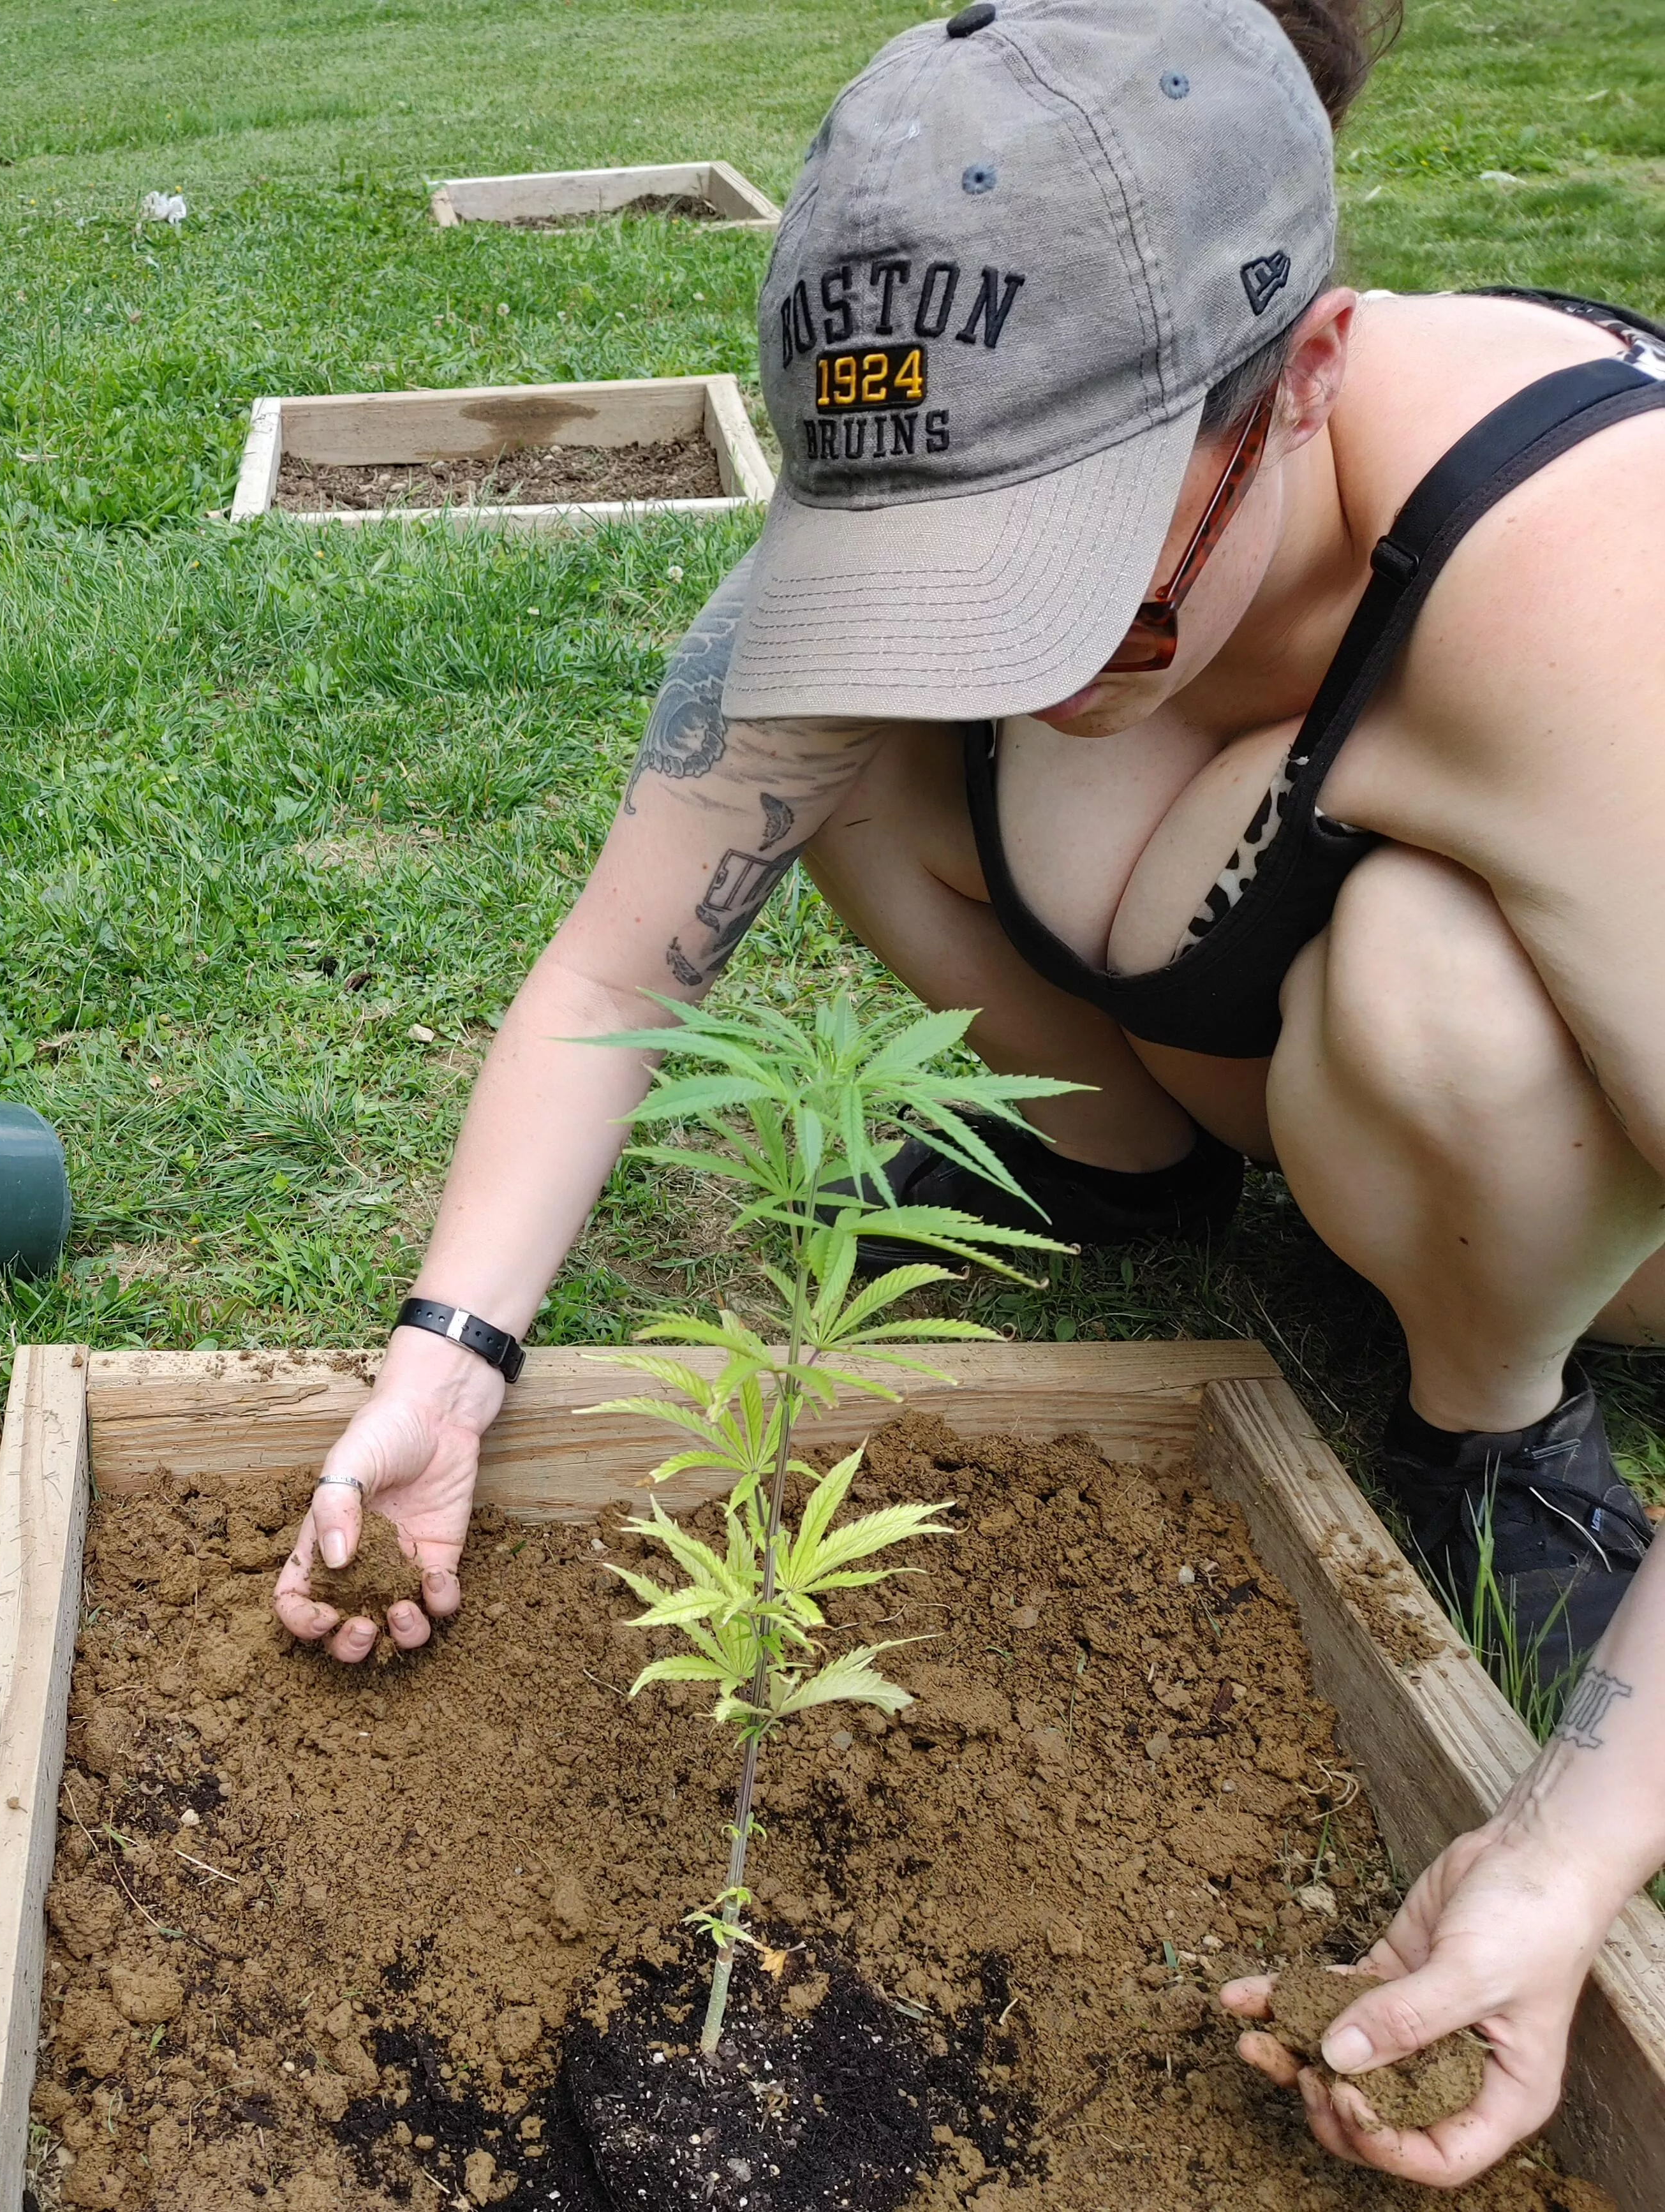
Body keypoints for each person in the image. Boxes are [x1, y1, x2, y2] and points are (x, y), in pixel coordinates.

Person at [271, 0, 1665, 2188]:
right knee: (833, 757)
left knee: (1443, 1002)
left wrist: (1569, 1847)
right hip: (1252, 1053)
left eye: (1071, 584)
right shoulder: (949, 436)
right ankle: (1123, 1160)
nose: (1011, 659)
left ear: (1306, 372)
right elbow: (622, 962)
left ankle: (1495, 1415)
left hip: (1581, 1154)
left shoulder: (1587, 572)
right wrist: (449, 1362)